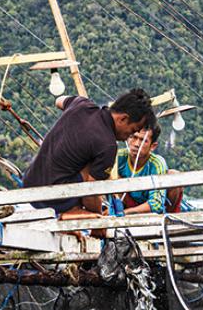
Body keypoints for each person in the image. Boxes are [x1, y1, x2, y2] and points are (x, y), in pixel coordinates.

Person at [22, 88, 155, 219]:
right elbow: (90, 192)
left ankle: (71, 210)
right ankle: (72, 211)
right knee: (90, 170)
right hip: (51, 200)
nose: (128, 136)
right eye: (132, 130)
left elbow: (59, 101)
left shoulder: (81, 104)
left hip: (29, 184)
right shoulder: (107, 146)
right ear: (123, 119)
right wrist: (98, 218)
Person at [115, 123, 185, 214]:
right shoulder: (119, 157)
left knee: (174, 176)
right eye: (133, 137)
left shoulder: (156, 163)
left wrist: (125, 212)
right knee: (112, 173)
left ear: (153, 146)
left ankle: (169, 219)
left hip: (150, 209)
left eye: (143, 141)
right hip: (127, 203)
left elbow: (156, 204)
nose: (136, 144)